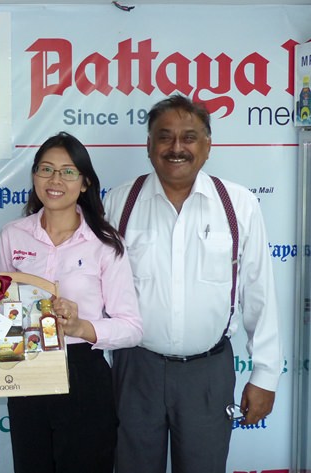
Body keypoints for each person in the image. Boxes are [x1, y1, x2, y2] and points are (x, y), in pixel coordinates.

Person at [103, 94, 283, 473]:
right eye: (165, 137)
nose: (176, 148)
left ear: (207, 145)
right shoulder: (119, 203)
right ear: (149, 145)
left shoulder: (239, 204)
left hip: (208, 374)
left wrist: (265, 376)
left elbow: (259, 295)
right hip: (135, 370)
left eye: (189, 137)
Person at [0, 132, 142, 473]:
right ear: (34, 176)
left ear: (85, 183)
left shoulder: (105, 243)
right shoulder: (12, 234)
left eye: (68, 172)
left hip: (83, 372)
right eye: (46, 169)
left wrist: (80, 327)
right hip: (26, 368)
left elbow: (132, 327)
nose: (55, 180)